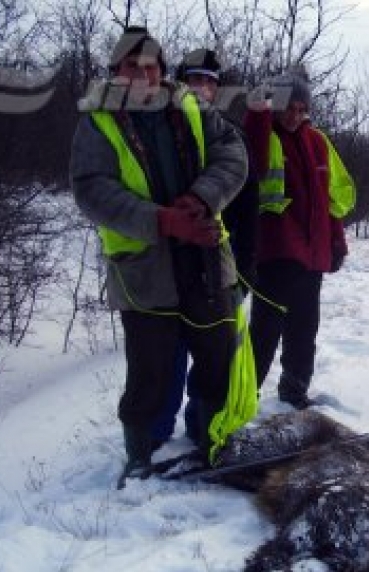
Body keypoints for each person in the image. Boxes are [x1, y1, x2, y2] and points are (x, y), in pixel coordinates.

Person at [70, 27, 256, 483]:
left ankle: (211, 439)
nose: (142, 74)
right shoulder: (98, 121)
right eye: (132, 66)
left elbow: (234, 154)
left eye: (150, 65)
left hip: (205, 261)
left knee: (217, 358)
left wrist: (201, 198)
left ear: (162, 69)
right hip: (145, 272)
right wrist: (161, 221)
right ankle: (140, 453)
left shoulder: (191, 107)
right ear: (115, 71)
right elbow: (92, 190)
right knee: (149, 369)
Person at [149, 47, 259, 448]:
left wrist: (245, 269)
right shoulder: (154, 130)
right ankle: (157, 434)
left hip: (217, 267)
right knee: (166, 354)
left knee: (215, 357)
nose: (202, 88)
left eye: (210, 82)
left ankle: (204, 429)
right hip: (166, 264)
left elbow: (249, 213)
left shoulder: (231, 136)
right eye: (194, 79)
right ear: (179, 83)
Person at [244, 70, 356, 409]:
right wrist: (260, 108)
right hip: (275, 255)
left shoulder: (318, 142)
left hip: (311, 257)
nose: (294, 115)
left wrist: (336, 242)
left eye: (301, 109)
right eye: (288, 108)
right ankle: (244, 399)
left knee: (304, 333)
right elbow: (256, 161)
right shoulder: (263, 134)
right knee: (264, 333)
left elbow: (332, 200)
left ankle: (294, 392)